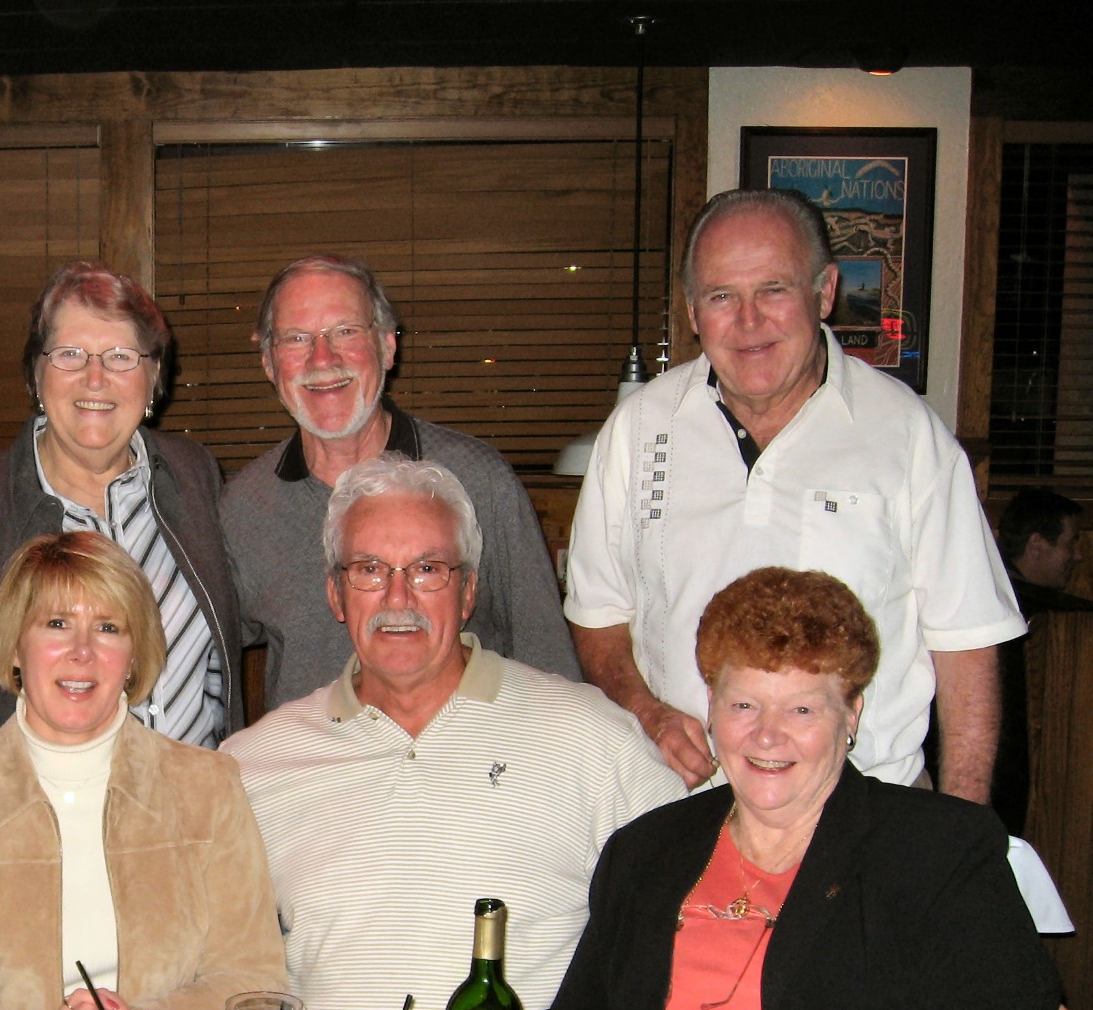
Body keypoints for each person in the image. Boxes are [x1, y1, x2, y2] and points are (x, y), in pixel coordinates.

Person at [534, 567, 1093, 1010]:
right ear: (710, 707)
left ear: (852, 713)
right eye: (743, 704)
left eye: (802, 708)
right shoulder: (649, 852)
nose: (767, 736)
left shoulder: (939, 849)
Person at [222, 457, 682, 1010]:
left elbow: (689, 917)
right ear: (336, 593)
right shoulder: (254, 765)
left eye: (428, 570)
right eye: (368, 571)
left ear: (468, 592)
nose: (397, 598)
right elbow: (214, 965)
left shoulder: (593, 739)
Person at [565, 188, 1023, 801]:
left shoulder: (906, 433)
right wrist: (647, 712)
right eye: (722, 295)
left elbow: (966, 642)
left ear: (825, 292)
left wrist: (961, 828)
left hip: (864, 811)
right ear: (693, 312)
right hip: (681, 804)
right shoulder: (639, 427)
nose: (748, 321)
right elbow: (599, 617)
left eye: (774, 290)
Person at [0, 532, 286, 1010]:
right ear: (15, 647)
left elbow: (254, 984)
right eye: (57, 623)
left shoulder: (208, 788)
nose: (82, 652)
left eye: (108, 628)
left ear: (134, 657)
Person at [0, 261, 242, 778]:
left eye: (120, 356)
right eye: (69, 354)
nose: (95, 378)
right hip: (44, 815)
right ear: (35, 374)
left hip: (193, 804)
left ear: (154, 377)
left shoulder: (195, 478)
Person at [220, 253, 579, 712]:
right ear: (269, 362)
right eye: (296, 339)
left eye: (346, 332)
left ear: (388, 346)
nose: (323, 359)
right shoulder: (242, 509)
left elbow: (550, 664)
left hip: (464, 770)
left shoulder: (478, 480)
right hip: (316, 776)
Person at [993, 488, 1093, 834]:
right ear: (1036, 544)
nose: (1079, 555)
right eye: (1070, 543)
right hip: (1016, 786)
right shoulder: (1017, 612)